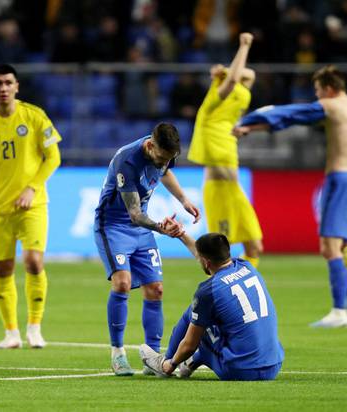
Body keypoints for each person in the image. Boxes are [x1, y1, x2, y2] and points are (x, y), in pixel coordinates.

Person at [233, 65, 347, 328]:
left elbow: (291, 114)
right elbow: (297, 119)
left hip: (339, 181)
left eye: (318, 91)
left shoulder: (331, 107)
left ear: (328, 90)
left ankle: (338, 311)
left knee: (330, 249)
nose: (317, 97)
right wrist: (257, 130)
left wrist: (249, 121)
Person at [0, 63, 62, 349]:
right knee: (2, 268)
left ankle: (35, 327)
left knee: (33, 261)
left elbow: (53, 157)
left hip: (33, 205)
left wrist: (31, 187)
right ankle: (11, 333)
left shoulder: (34, 116)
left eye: (8, 83)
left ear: (17, 86)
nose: (3, 88)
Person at [94, 122, 201, 376]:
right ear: (150, 145)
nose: (163, 162)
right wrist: (161, 228)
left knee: (156, 289)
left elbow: (164, 172)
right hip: (114, 226)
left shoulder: (163, 153)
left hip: (141, 228)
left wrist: (184, 200)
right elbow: (134, 214)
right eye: (161, 157)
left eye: (169, 158)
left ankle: (152, 356)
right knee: (122, 282)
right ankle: (117, 353)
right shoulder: (127, 161)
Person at [139, 232, 284, 381]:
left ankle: (165, 364)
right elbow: (205, 256)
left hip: (241, 371)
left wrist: (172, 363)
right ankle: (191, 362)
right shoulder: (246, 266)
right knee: (213, 316)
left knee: (195, 316)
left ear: (206, 262)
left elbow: (189, 344)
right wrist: (182, 235)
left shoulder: (207, 292)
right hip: (274, 365)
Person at [187, 32, 264, 268]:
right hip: (220, 187)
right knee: (221, 251)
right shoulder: (214, 102)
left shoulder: (238, 93)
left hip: (232, 179)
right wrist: (244, 46)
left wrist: (225, 69)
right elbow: (232, 81)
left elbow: (248, 74)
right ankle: (224, 285)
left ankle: (242, 279)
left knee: (255, 247)